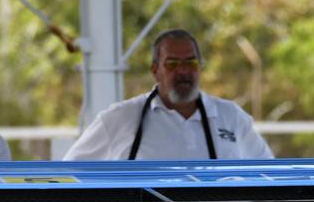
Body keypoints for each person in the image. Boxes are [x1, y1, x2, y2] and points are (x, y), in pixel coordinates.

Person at [64, 29, 272, 161]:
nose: (183, 70)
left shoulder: (232, 117)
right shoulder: (120, 118)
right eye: (172, 63)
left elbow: (270, 176)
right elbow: (72, 175)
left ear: (200, 67)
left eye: (190, 62)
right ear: (155, 70)